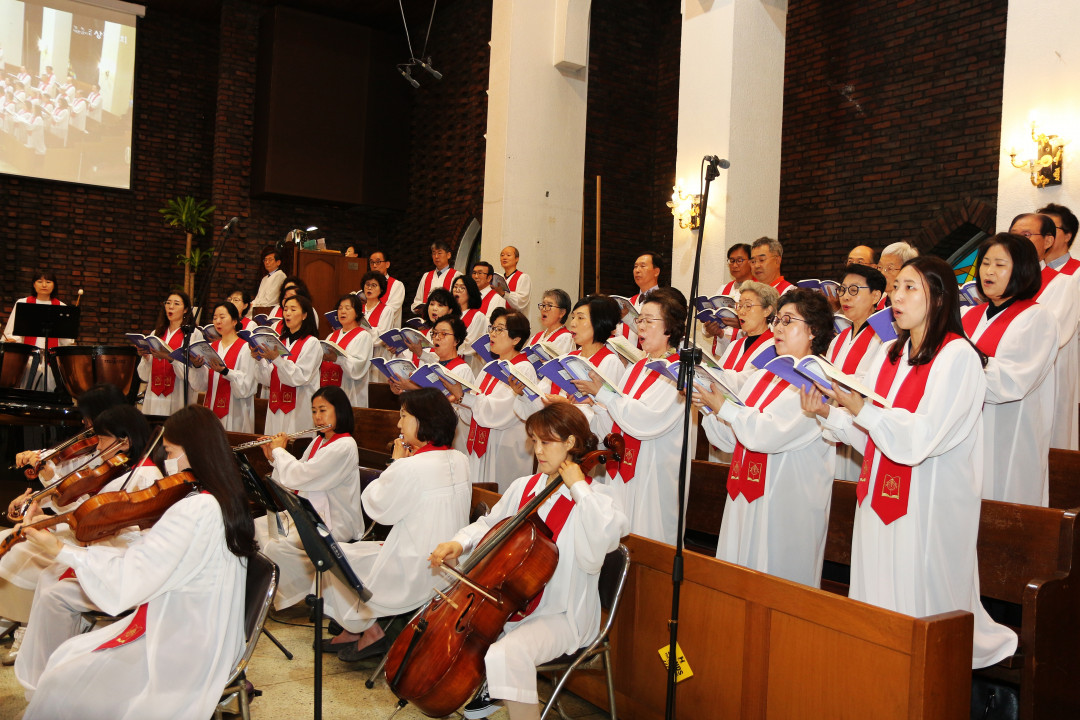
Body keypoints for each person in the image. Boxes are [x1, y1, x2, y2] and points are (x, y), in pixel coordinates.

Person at [801, 255, 1017, 669]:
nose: (896, 297)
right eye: (895, 287)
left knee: (921, 603)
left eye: (909, 288)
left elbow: (923, 437)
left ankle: (928, 676)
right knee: (876, 596)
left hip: (928, 503)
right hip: (879, 498)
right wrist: (832, 414)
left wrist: (863, 411)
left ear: (939, 297)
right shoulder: (888, 352)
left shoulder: (958, 356)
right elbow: (873, 439)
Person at [15, 404, 255, 720]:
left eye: (170, 452)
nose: (166, 461)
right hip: (209, 635)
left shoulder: (195, 509)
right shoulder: (225, 499)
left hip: (182, 647)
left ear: (192, 451)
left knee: (62, 674)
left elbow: (131, 576)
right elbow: (149, 560)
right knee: (70, 656)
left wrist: (60, 550)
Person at [429, 403, 628, 720]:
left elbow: (602, 541)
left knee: (507, 653)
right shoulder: (524, 487)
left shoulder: (599, 497)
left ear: (571, 442)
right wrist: (459, 542)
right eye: (534, 441)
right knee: (473, 637)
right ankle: (493, 688)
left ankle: (500, 689)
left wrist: (578, 487)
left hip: (565, 615)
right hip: (513, 603)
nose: (537, 451)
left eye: (545, 442)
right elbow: (490, 525)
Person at [694, 288, 836, 586]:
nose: (778, 328)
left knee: (776, 583)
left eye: (788, 321)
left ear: (814, 330)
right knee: (736, 580)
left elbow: (767, 434)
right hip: (746, 497)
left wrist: (723, 408)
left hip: (785, 504)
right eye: (778, 320)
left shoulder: (819, 378)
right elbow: (731, 440)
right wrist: (709, 409)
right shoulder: (764, 374)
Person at [1, 405, 160, 666]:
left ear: (125, 441)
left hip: (114, 553)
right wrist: (45, 517)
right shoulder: (119, 467)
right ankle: (32, 636)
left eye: (103, 439)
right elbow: (89, 510)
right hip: (94, 540)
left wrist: (51, 522)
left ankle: (37, 639)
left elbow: (114, 524)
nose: (97, 446)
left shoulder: (145, 474)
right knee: (18, 546)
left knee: (31, 559)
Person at [321, 389, 472, 661]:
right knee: (353, 554)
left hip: (414, 568)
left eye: (404, 416)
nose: (399, 424)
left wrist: (396, 462)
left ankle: (368, 630)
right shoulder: (461, 459)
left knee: (334, 555)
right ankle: (355, 629)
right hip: (450, 565)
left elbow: (376, 507)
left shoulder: (411, 467)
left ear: (423, 420)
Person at [573, 287, 687, 544]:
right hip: (623, 466)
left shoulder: (677, 371)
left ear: (670, 327)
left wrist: (604, 395)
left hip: (652, 471)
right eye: (639, 320)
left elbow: (646, 420)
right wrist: (599, 405)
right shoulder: (637, 367)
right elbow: (616, 423)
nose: (640, 327)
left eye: (649, 321)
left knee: (648, 540)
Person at [962, 234, 1057, 505]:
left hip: (1009, 435)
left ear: (1023, 270)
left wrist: (963, 366)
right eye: (985, 263)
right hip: (966, 434)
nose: (989, 271)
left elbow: (1011, 383)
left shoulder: (1036, 317)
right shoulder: (969, 315)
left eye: (1000, 264)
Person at [256, 386, 365, 609]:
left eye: (323, 410)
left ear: (339, 411)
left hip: (333, 521)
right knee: (258, 526)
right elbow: (294, 480)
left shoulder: (345, 446)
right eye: (314, 411)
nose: (317, 417)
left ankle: (306, 590)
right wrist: (273, 459)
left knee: (276, 546)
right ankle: (277, 590)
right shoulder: (319, 441)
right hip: (311, 513)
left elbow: (301, 475)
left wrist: (280, 452)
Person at [1009, 212, 1079, 451]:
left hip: (1051, 369)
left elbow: (1053, 333)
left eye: (1027, 234)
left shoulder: (1068, 280)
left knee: (1048, 438)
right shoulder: (1016, 279)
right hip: (1012, 370)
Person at [446, 309, 536, 491]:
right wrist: (461, 399)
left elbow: (501, 411)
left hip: (504, 449)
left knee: (498, 497)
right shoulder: (491, 367)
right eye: (492, 328)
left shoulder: (523, 369)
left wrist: (464, 397)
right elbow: (475, 407)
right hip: (483, 446)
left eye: (499, 329)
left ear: (516, 339)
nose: (492, 334)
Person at [516, 295, 625, 421]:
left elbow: (607, 417)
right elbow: (541, 400)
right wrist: (522, 393)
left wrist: (566, 406)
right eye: (573, 317)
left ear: (600, 322)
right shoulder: (566, 359)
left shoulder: (611, 362)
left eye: (580, 318)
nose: (572, 323)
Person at [827, 265, 888, 481]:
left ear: (876, 296)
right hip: (835, 423)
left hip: (862, 426)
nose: (845, 297)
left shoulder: (885, 336)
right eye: (842, 290)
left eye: (854, 290)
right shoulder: (839, 338)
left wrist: (832, 384)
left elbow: (874, 383)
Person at [252, 295, 322, 435]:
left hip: (298, 408)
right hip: (275, 407)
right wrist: (259, 360)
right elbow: (267, 380)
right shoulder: (279, 342)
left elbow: (299, 377)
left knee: (295, 445)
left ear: (304, 315)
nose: (287, 313)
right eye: (285, 309)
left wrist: (277, 359)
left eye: (293, 309)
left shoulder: (311, 343)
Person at [187, 302, 258, 433]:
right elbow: (200, 385)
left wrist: (225, 372)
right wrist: (197, 366)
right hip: (211, 411)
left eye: (222, 317)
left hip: (235, 412)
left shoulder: (246, 348)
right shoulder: (210, 348)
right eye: (215, 318)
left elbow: (247, 386)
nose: (218, 321)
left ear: (234, 321)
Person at [2, 270, 73, 389]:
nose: (44, 285)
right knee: (26, 389)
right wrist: (12, 340)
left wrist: (69, 342)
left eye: (48, 282)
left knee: (49, 390)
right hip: (28, 358)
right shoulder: (23, 303)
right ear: (34, 284)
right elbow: (12, 330)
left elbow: (65, 339)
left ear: (54, 285)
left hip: (51, 360)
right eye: (40, 281)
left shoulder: (61, 307)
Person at [135, 292, 202, 416]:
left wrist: (170, 358)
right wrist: (146, 357)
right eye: (168, 303)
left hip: (178, 391)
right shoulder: (156, 333)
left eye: (176, 304)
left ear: (186, 309)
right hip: (154, 395)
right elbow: (144, 376)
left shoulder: (192, 334)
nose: (171, 307)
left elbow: (193, 373)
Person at [713, 281, 779, 393]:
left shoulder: (774, 347)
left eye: (748, 306)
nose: (741, 312)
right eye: (739, 306)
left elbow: (750, 382)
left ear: (767, 311)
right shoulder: (734, 345)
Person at [321, 294, 373, 408]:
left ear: (357, 313)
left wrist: (337, 359)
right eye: (340, 308)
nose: (342, 311)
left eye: (347, 308)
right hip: (327, 390)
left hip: (350, 392)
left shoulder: (363, 336)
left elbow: (358, 367)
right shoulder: (331, 336)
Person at [702, 243, 753, 356]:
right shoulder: (723, 289)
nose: (734, 265)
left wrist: (742, 324)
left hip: (745, 352)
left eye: (739, 260)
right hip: (721, 353)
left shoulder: (757, 290)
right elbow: (708, 326)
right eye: (731, 261)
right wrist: (708, 328)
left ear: (751, 262)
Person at [615, 252, 663, 345]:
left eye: (642, 266)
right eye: (635, 266)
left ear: (656, 272)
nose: (637, 270)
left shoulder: (664, 301)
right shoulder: (629, 302)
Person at [451, 274, 490, 374]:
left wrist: (448, 344)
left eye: (462, 288)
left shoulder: (477, 316)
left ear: (470, 292)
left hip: (468, 365)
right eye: (455, 287)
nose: (457, 290)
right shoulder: (449, 315)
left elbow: (471, 345)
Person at [411, 240, 460, 313]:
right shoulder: (426, 276)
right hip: (427, 318)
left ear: (448, 255)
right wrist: (417, 308)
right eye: (434, 253)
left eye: (439, 253)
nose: (436, 256)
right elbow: (417, 302)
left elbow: (459, 303)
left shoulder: (457, 275)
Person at [527, 289, 574, 355]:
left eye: (549, 306)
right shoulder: (536, 337)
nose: (544, 309)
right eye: (543, 305)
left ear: (562, 312)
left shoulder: (565, 337)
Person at [1037, 203, 1079, 275]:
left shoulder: (1077, 273)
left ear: (1067, 237)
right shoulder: (1027, 272)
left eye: (1049, 228)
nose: (1040, 233)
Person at [367, 250, 405, 328]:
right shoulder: (367, 285)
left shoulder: (396, 285)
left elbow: (391, 310)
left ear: (387, 264)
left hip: (387, 330)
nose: (374, 265)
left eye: (378, 262)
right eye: (372, 262)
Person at [877, 241, 918, 308]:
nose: (882, 273)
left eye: (890, 268)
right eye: (880, 267)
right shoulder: (877, 302)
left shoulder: (915, 305)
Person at [496, 246, 532, 314]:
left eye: (508, 255)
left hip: (515, 319)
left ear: (517, 259)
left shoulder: (523, 277)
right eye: (502, 255)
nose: (504, 258)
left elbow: (521, 302)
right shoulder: (499, 278)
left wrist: (504, 294)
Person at [251, 245, 286, 310]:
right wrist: (252, 304)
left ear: (278, 262)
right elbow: (258, 297)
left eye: (270, 260)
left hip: (270, 309)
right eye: (265, 260)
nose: (267, 262)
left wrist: (256, 306)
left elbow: (271, 300)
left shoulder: (280, 275)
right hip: (259, 307)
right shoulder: (265, 278)